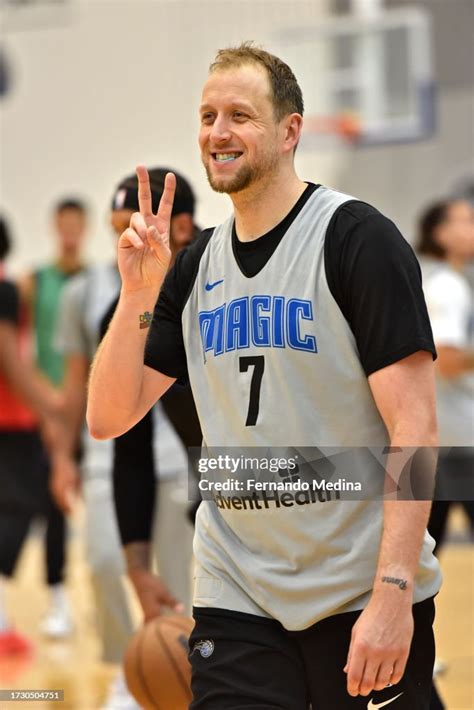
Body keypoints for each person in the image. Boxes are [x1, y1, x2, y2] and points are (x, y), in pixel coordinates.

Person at [88, 43, 442, 709]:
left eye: (240, 116)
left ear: (289, 131)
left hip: (358, 584)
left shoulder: (357, 240)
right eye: (207, 116)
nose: (218, 133)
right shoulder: (191, 269)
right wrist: (138, 291)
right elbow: (110, 417)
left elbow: (417, 429)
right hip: (236, 590)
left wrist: (394, 592)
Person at [51, 168, 198, 710]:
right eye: (119, 228)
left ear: (178, 226)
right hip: (128, 453)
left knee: (197, 583)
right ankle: (131, 667)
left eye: (135, 224)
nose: (129, 238)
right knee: (111, 564)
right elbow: (113, 426)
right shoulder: (119, 303)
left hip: (230, 463)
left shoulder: (219, 272)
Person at [18, 198, 88, 638]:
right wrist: (43, 404)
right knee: (53, 506)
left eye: (74, 225)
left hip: (92, 411)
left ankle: (108, 600)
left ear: (82, 229)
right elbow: (17, 348)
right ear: (53, 227)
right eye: (61, 225)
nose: (68, 232)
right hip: (49, 413)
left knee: (104, 504)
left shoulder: (97, 279)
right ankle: (58, 599)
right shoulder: (33, 282)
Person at [0, 215, 62, 654]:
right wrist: (51, 405)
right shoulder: (4, 291)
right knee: (20, 509)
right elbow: (9, 359)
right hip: (10, 422)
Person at [417, 199, 474, 551]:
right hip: (457, 440)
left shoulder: (441, 281)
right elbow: (446, 360)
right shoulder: (446, 287)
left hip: (437, 437)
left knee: (419, 548)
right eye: (465, 220)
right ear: (440, 233)